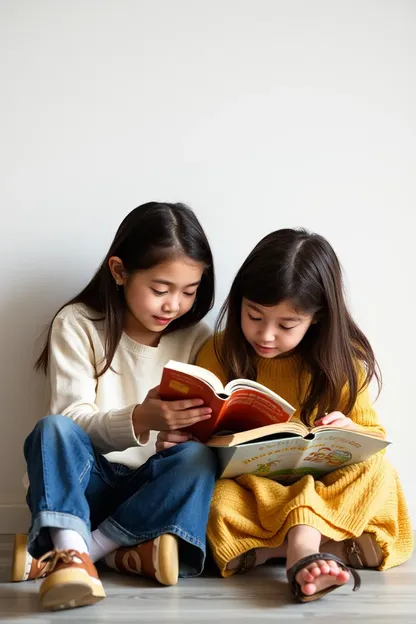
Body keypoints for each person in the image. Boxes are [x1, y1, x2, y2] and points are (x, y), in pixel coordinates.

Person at [159, 227, 413, 603]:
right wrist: (182, 437)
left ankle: (278, 548)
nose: (266, 334)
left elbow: (373, 439)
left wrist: (350, 429)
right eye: (254, 316)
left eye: (286, 325)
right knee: (211, 499)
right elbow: (199, 438)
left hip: (325, 488)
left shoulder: (342, 364)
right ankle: (321, 547)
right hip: (255, 491)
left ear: (317, 318)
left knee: (379, 473)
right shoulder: (219, 352)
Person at [11, 202, 218, 611]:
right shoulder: (78, 324)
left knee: (198, 460)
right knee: (53, 429)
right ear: (120, 271)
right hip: (84, 487)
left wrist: (179, 439)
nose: (173, 304)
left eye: (189, 292)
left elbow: (198, 435)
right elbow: (72, 421)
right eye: (160, 289)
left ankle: (80, 552)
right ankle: (105, 552)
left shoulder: (197, 337)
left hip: (149, 491)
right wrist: (141, 418)